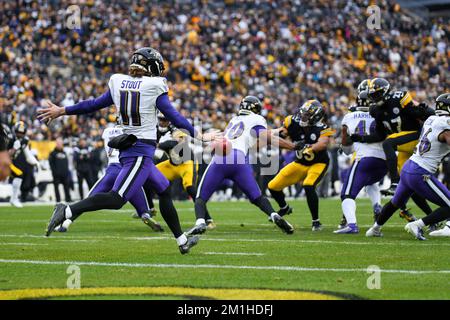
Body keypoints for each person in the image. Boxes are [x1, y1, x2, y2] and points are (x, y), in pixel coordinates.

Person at [38, 47, 219, 254]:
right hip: (139, 151)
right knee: (117, 199)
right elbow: (173, 114)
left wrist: (63, 110)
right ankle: (68, 209)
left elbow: (94, 104)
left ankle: (181, 240)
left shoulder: (118, 81)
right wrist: (200, 135)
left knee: (163, 189)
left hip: (138, 151)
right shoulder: (154, 85)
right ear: (151, 66)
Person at [186, 95, 295, 236]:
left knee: (201, 197)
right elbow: (266, 137)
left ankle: (200, 222)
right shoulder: (257, 119)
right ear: (256, 108)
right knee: (257, 197)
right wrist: (292, 146)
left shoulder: (234, 120)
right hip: (239, 159)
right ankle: (274, 215)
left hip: (221, 157)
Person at [366, 93, 450, 239]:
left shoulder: (432, 119)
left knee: (395, 203)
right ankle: (417, 224)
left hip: (408, 167)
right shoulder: (445, 123)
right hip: (421, 172)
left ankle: (375, 228)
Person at [352, 78, 434, 222]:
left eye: (377, 94)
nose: (375, 98)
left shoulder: (399, 98)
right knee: (410, 182)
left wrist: (428, 112)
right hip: (403, 145)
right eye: (373, 96)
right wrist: (361, 138)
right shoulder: (376, 110)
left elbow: (419, 113)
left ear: (386, 92)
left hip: (416, 137)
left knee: (388, 144)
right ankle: (432, 217)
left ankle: (394, 182)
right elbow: (380, 134)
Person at [55, 125, 163, 233]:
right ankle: (145, 214)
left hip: (111, 172)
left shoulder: (107, 131)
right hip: (127, 171)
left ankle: (65, 224)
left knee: (86, 202)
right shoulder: (130, 130)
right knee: (143, 207)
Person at [268, 100, 335, 231]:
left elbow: (322, 143)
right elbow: (282, 134)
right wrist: (270, 135)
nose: (302, 117)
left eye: (306, 115)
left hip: (318, 163)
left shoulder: (322, 128)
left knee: (308, 185)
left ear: (315, 117)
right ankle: (284, 208)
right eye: (302, 113)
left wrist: (309, 147)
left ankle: (316, 221)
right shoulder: (291, 122)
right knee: (273, 186)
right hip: (300, 163)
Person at [143, 113, 215, 228]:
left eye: (165, 119)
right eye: (160, 119)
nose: (162, 122)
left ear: (170, 121)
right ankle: (150, 208)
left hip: (186, 163)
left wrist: (159, 145)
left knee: (190, 189)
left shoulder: (176, 129)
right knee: (146, 177)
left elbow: (179, 143)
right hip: (171, 164)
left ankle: (207, 219)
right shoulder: (155, 131)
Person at [335, 90, 386, 234]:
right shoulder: (381, 114)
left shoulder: (349, 117)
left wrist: (349, 148)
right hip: (384, 161)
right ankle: (377, 205)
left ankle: (352, 225)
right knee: (371, 183)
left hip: (365, 159)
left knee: (346, 194)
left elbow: (345, 146)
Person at [8, 121, 40, 208]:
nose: (20, 134)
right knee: (19, 175)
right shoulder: (10, 138)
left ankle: (14, 199)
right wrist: (14, 148)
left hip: (9, 162)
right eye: (18, 132)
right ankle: (13, 199)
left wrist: (35, 162)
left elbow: (27, 154)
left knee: (19, 174)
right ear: (15, 131)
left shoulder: (24, 140)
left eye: (22, 133)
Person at [49, 138, 72, 203]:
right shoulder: (52, 153)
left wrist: (66, 171)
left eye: (60, 143)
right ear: (56, 144)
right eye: (58, 143)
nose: (59, 145)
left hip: (64, 174)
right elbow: (51, 164)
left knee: (66, 187)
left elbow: (66, 163)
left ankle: (68, 199)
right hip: (56, 174)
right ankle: (58, 200)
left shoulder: (64, 152)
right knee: (56, 187)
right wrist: (55, 172)